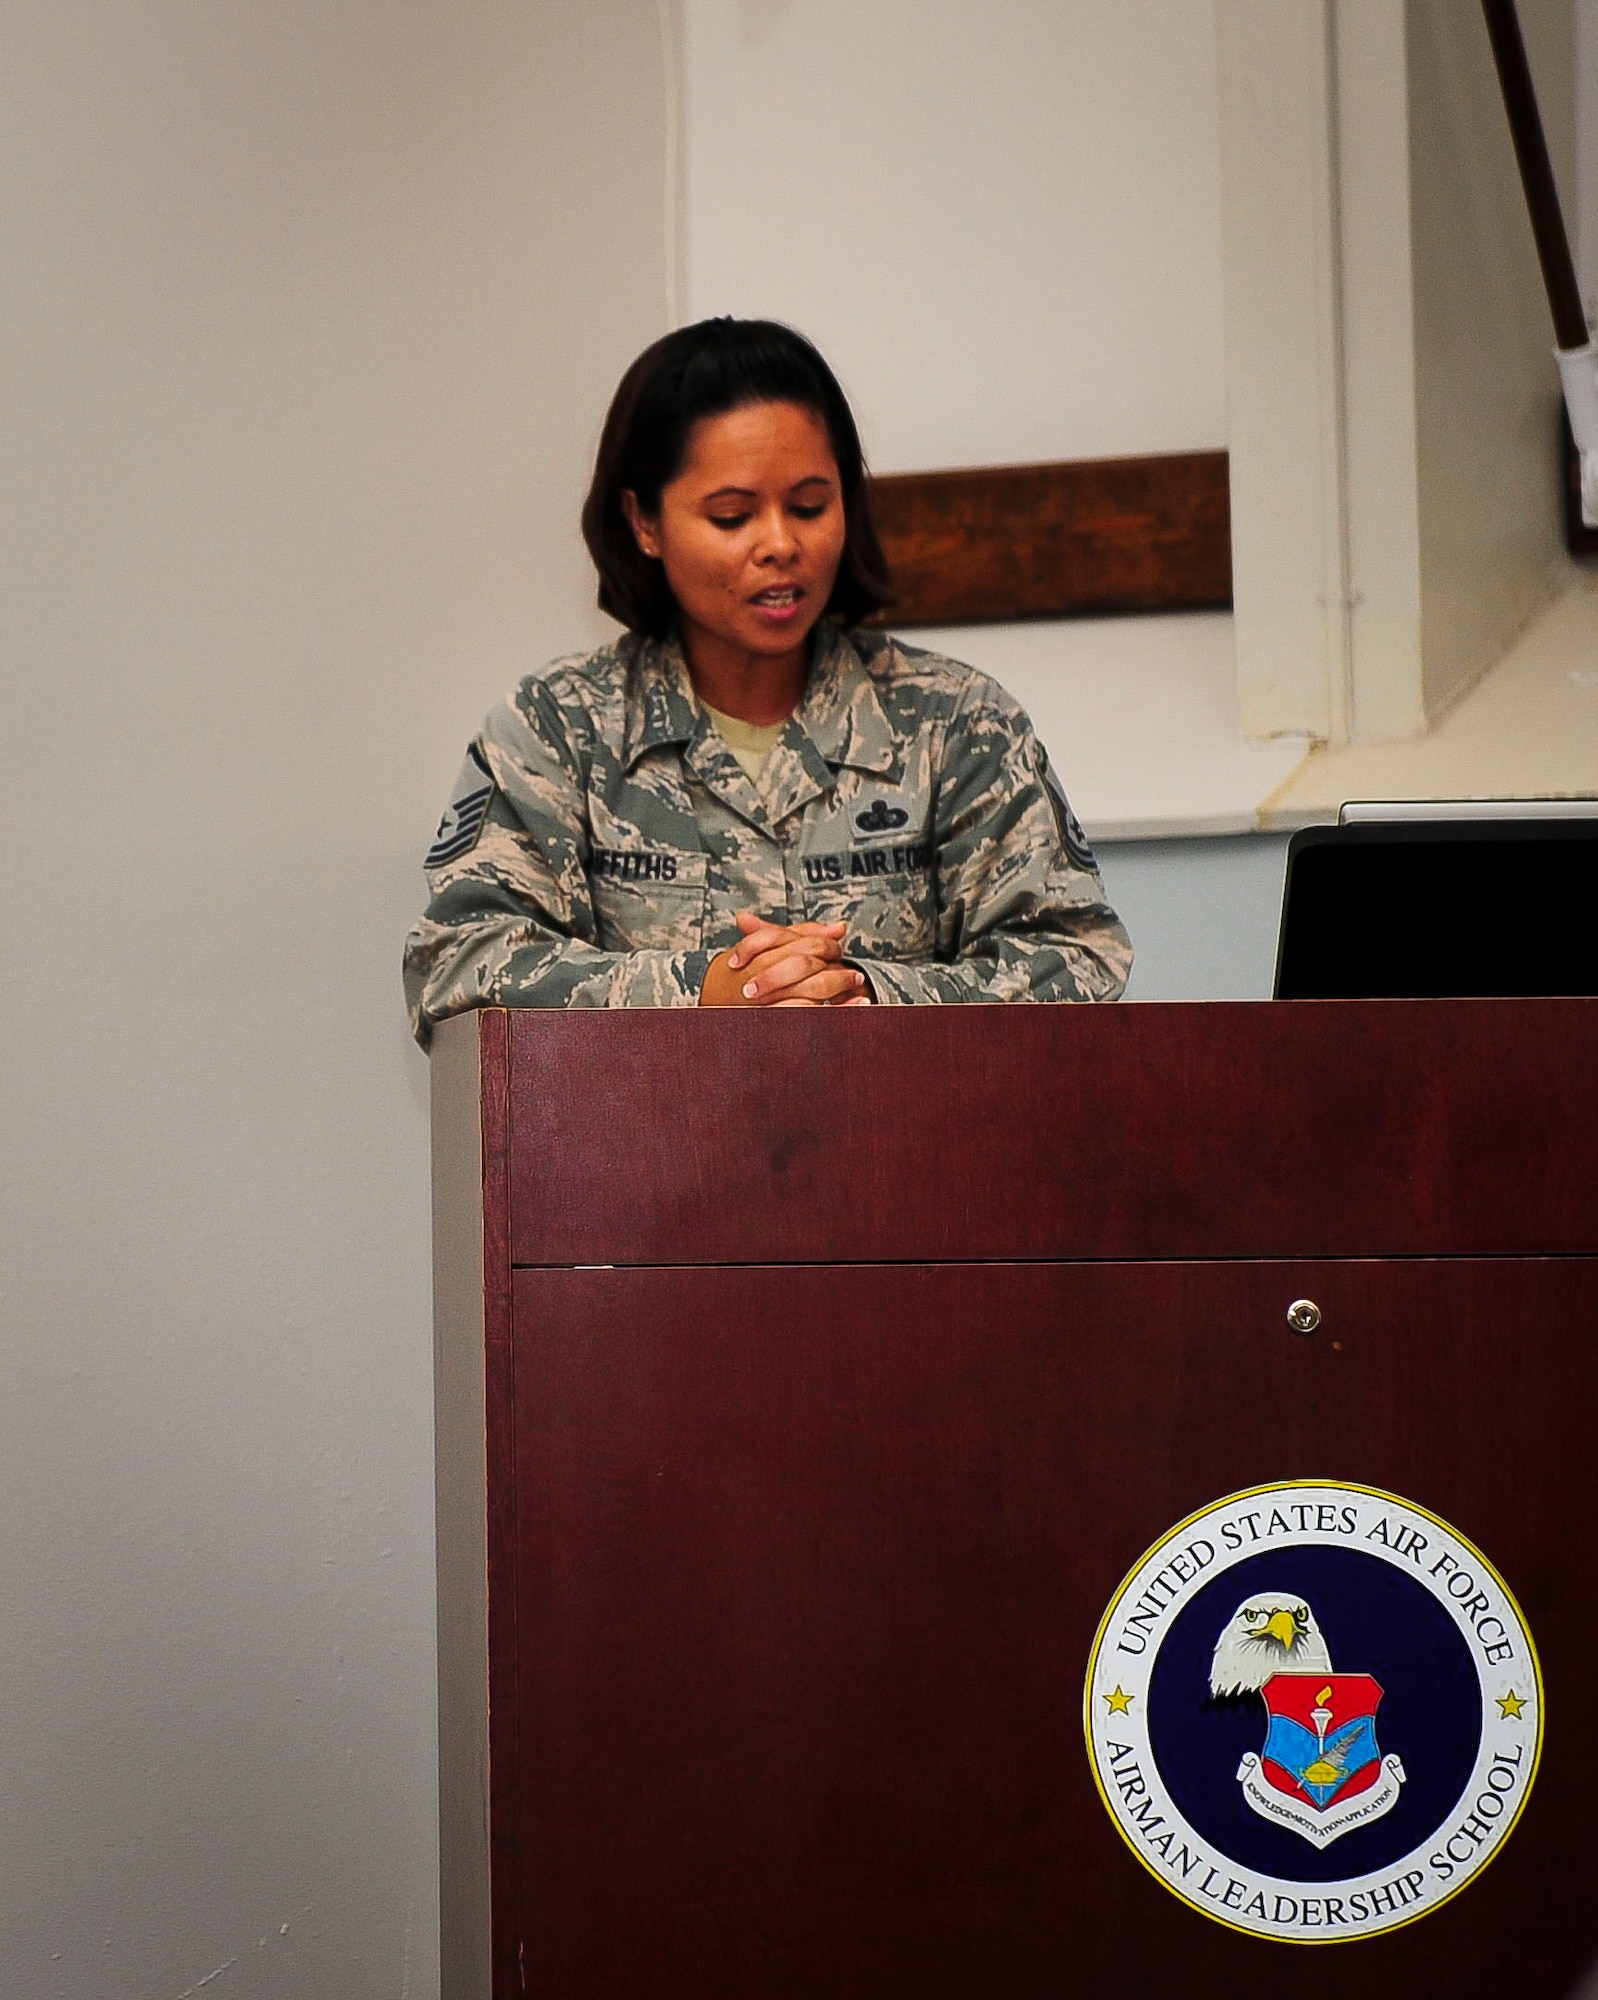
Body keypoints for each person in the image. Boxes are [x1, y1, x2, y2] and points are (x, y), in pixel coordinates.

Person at [403, 318, 1131, 1043]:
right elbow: (454, 965)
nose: (781, 544)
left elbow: (1078, 958)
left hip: (903, 1151)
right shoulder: (556, 731)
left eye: (811, 505)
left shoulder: (957, 722)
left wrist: (868, 994)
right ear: (645, 522)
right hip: (642, 1155)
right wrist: (702, 991)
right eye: (732, 515)